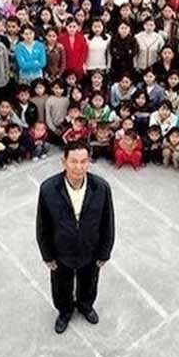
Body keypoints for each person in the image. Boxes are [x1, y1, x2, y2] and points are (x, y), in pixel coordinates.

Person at [36, 141, 115, 334]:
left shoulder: (101, 188)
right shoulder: (48, 189)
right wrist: (47, 256)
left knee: (89, 282)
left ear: (89, 162)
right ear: (64, 162)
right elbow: (42, 226)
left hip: (91, 250)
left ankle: (85, 306)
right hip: (61, 251)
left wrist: (104, 253)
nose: (78, 167)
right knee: (61, 286)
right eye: (73, 161)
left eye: (83, 161)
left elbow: (108, 222)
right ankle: (65, 312)